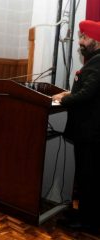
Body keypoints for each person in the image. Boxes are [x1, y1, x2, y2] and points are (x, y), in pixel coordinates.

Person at [52, 20, 100, 234]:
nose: (80, 42)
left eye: (84, 38)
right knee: (84, 176)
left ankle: (87, 221)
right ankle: (83, 215)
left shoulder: (97, 62)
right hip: (87, 132)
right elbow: (87, 91)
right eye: (80, 37)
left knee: (88, 178)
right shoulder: (94, 61)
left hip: (90, 133)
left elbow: (87, 94)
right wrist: (67, 94)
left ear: (96, 41)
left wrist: (63, 100)